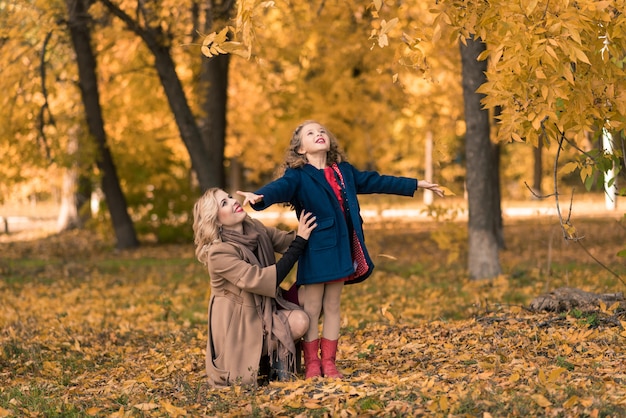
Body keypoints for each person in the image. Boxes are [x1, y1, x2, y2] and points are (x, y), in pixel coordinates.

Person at [238, 120, 444, 380]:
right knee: (312, 307)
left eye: (321, 131)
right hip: (315, 249)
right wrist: (260, 197)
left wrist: (416, 184)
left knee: (333, 305)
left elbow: (376, 181)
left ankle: (330, 363)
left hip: (341, 250)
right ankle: (312, 363)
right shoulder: (298, 175)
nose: (319, 134)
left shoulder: (343, 171)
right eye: (310, 133)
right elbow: (279, 188)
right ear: (300, 149)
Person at [193, 187, 317, 387]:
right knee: (300, 321)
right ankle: (267, 364)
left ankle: (279, 360)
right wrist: (300, 242)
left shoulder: (255, 229)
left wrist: (317, 209)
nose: (233, 201)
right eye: (224, 203)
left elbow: (290, 242)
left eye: (230, 197)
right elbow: (263, 279)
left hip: (266, 309)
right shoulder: (219, 254)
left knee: (313, 293)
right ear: (215, 220)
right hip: (243, 329)